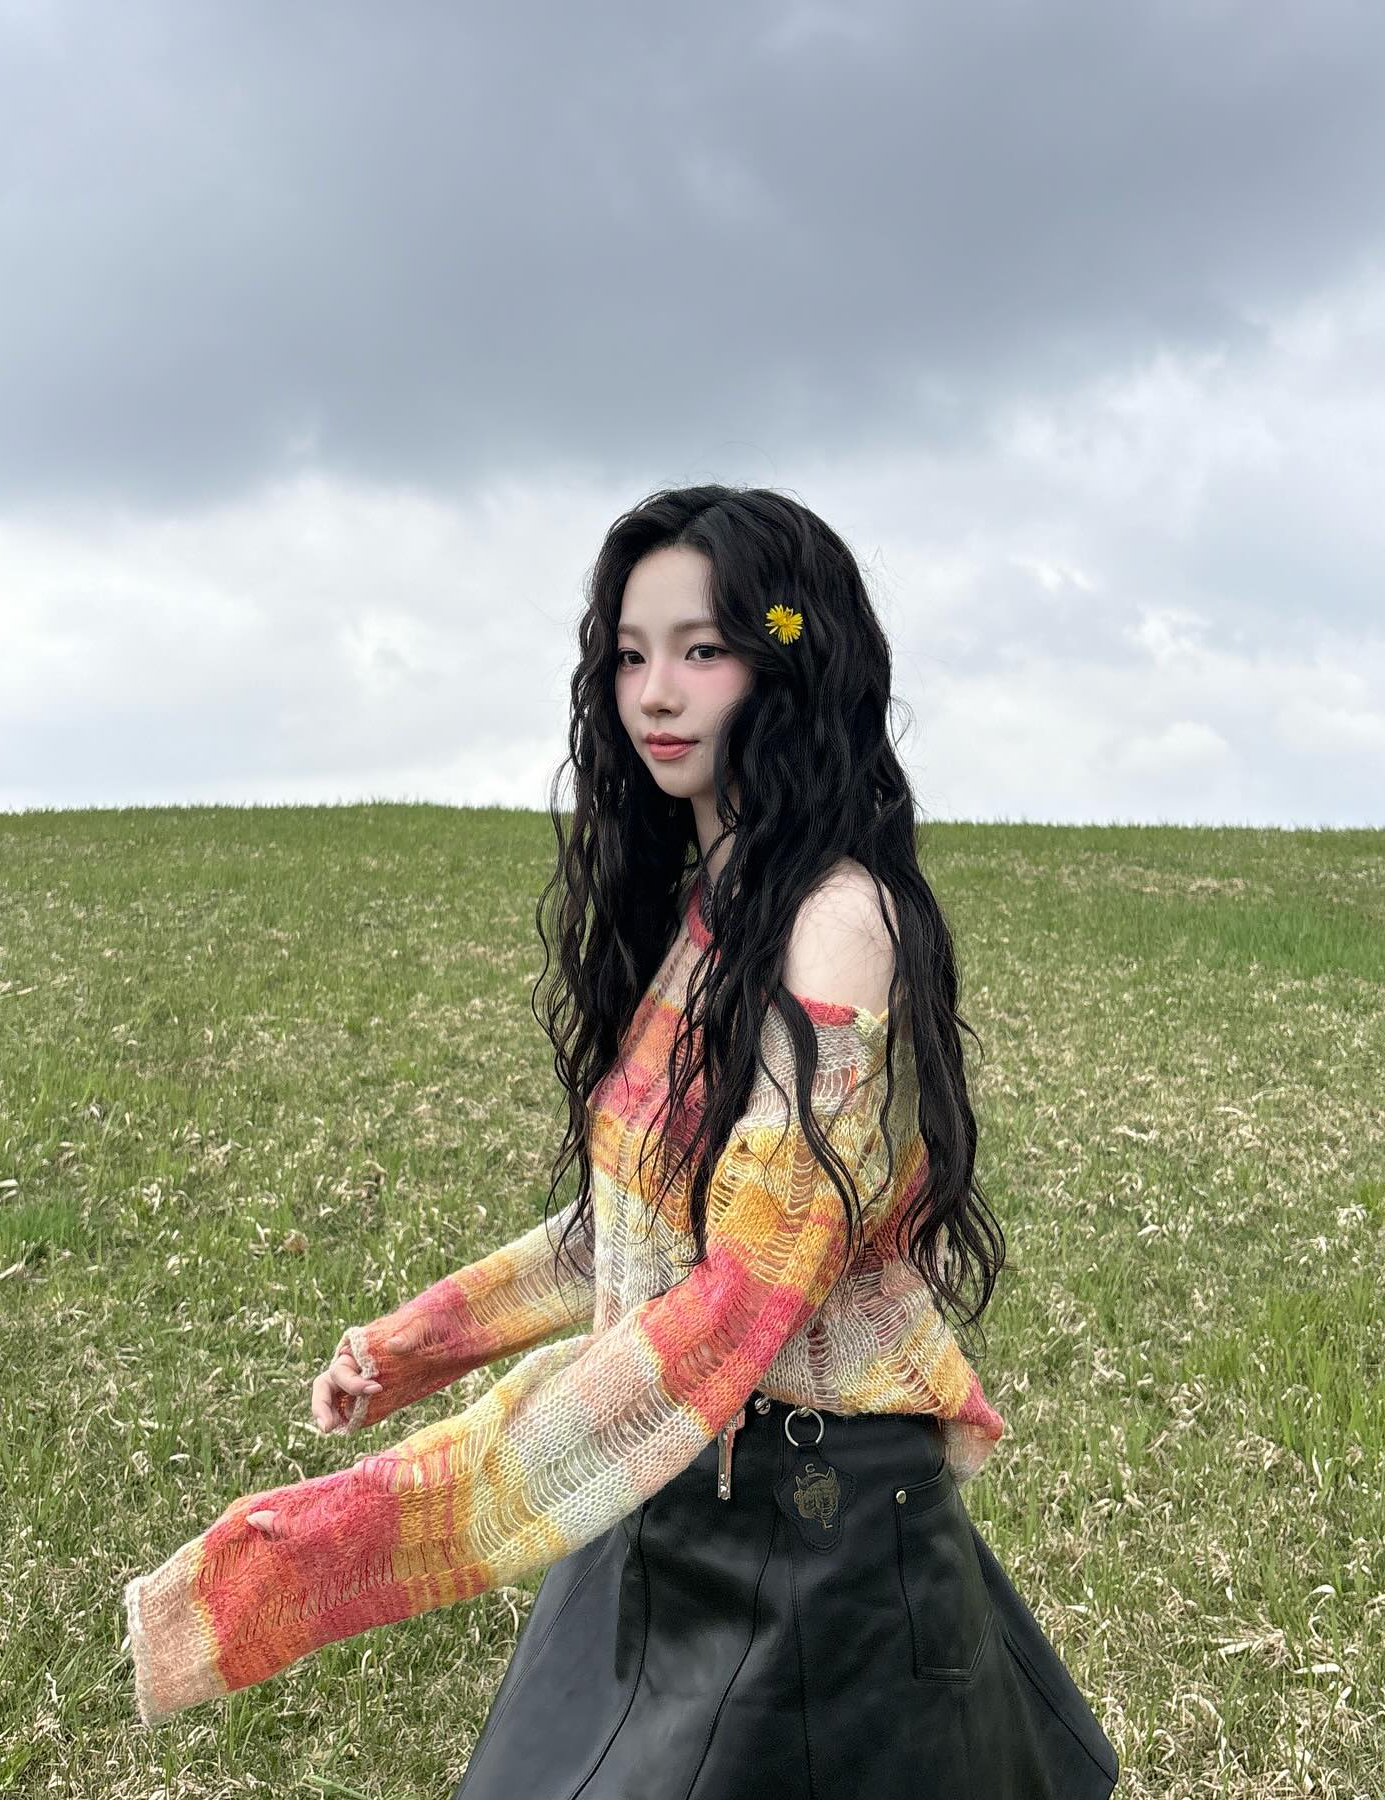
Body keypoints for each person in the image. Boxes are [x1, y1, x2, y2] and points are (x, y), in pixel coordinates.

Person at [123, 484, 1120, 1797]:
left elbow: (732, 1311)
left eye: (702, 651)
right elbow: (629, 1230)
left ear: (790, 665)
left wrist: (349, 1535)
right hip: (672, 1485)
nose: (655, 693)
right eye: (631, 653)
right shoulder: (708, 916)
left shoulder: (836, 923)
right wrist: (414, 1345)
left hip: (809, 1550)